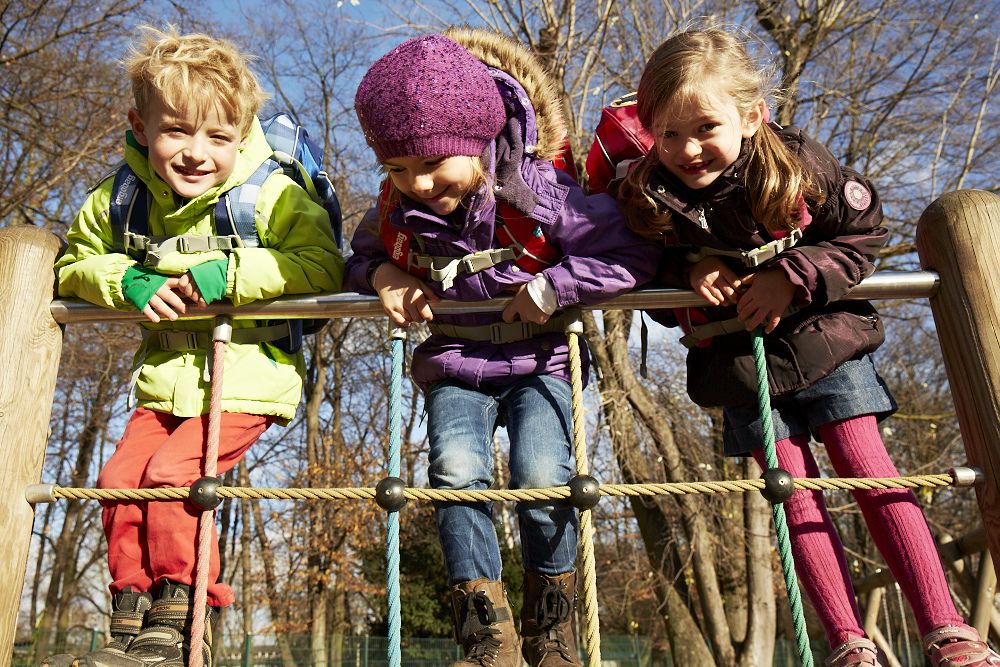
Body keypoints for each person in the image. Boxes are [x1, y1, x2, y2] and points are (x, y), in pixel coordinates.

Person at [608, 26, 999, 667]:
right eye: (668, 134)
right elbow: (637, 260)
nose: (686, 149)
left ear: (752, 115)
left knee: (871, 474)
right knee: (793, 495)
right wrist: (688, 274)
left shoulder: (795, 166)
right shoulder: (652, 192)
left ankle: (946, 626)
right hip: (741, 363)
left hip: (827, 343)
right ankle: (847, 640)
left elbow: (863, 236)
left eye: (705, 127)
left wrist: (790, 277)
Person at [347, 28, 658, 667]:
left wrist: (556, 286)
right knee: (456, 474)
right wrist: (382, 277)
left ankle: (553, 628)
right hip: (456, 364)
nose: (418, 183)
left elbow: (634, 253)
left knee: (543, 476)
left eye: (433, 164)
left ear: (479, 145)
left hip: (539, 357)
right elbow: (360, 257)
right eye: (398, 169)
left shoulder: (539, 193)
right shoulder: (395, 210)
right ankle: (485, 636)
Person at [48, 26, 344, 667]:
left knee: (175, 475)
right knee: (119, 479)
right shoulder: (120, 198)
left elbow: (322, 265)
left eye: (218, 136)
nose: (195, 152)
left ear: (242, 134)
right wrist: (123, 280)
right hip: (165, 376)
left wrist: (231, 275)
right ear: (140, 125)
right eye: (176, 131)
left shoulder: (270, 193)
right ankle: (132, 614)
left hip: (248, 373)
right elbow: (72, 265)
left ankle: (183, 612)